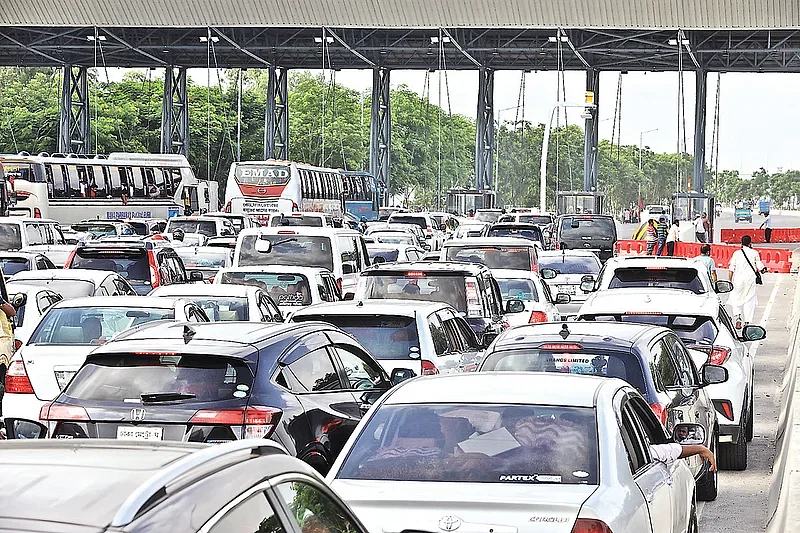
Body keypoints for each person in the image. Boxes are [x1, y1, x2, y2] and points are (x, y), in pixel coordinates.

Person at [728, 235, 767, 329]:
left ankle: (737, 317)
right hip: (750, 280)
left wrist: (730, 280)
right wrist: (763, 270)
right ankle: (747, 322)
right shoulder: (754, 253)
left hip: (738, 279)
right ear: (750, 243)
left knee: (736, 298)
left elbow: (731, 268)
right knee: (749, 299)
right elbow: (760, 267)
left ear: (741, 243)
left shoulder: (737, 253)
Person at [649, 442, 716, 472]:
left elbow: (666, 451)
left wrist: (701, 449)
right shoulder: (652, 452)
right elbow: (665, 451)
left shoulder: (651, 452)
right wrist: (700, 449)